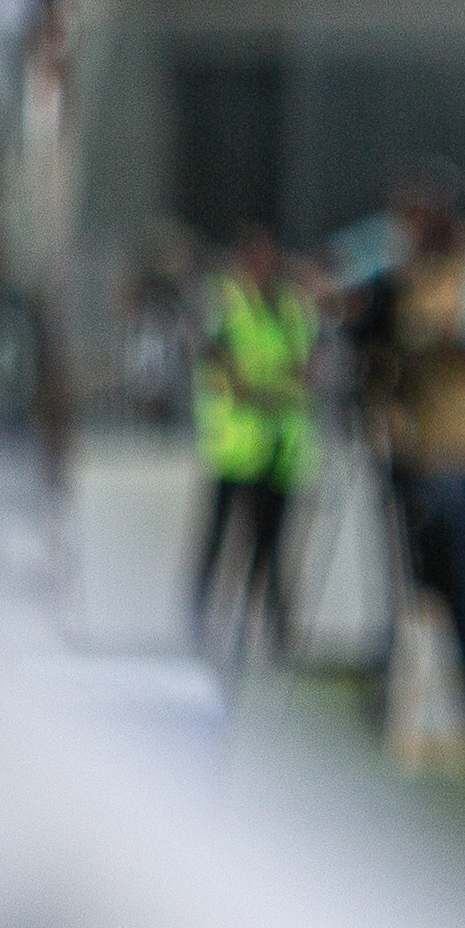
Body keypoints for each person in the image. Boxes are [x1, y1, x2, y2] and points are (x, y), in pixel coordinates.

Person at [361, 177, 465, 738]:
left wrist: (429, 336)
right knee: (398, 581)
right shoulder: (398, 268)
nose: (410, 233)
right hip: (404, 445)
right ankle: (394, 690)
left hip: (459, 447)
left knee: (459, 579)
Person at [185, 231, 317, 661]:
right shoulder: (225, 302)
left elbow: (307, 368)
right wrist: (271, 388)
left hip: (281, 447)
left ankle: (272, 630)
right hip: (235, 446)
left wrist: (268, 388)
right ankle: (200, 621)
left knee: (273, 546)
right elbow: (219, 363)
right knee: (221, 539)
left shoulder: (292, 306)